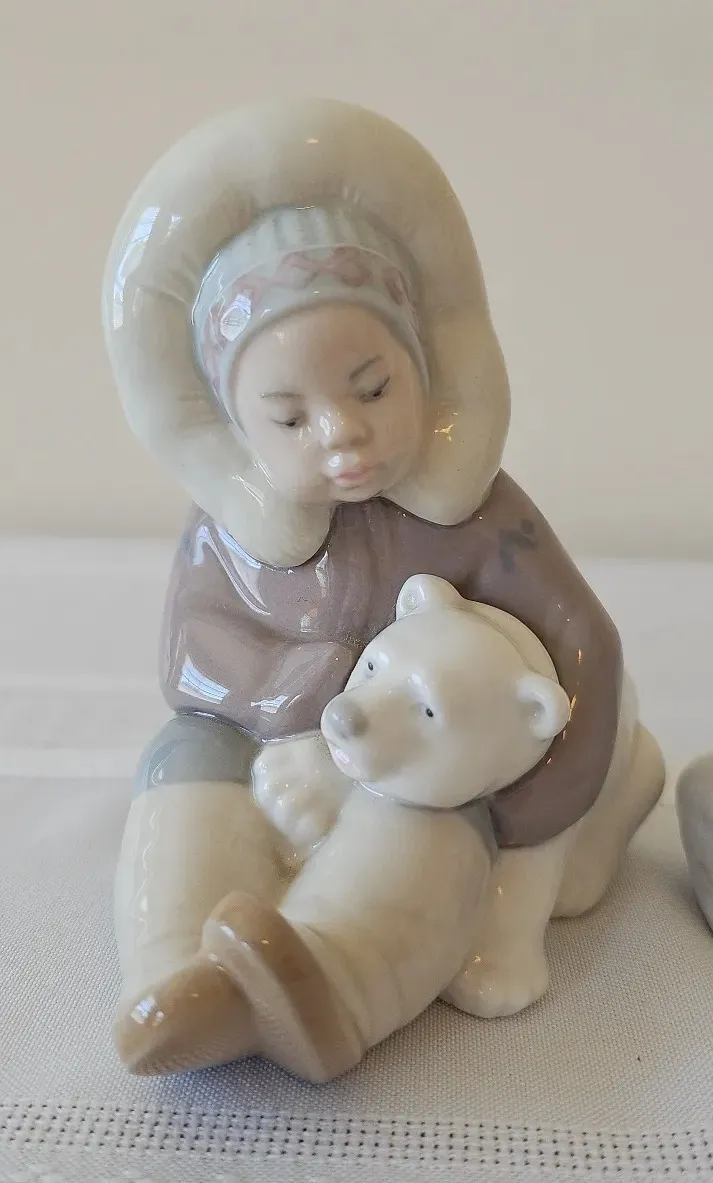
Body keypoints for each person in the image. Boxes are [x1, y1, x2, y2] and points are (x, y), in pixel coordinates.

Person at [103, 97, 634, 1080]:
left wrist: (525, 814)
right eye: (288, 416)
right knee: (183, 758)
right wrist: (301, 702)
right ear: (235, 428)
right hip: (275, 749)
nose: (341, 432)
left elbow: (581, 652)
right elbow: (193, 659)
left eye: (372, 387)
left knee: (430, 814)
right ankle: (174, 973)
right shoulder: (232, 534)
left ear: (423, 366)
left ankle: (333, 985)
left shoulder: (480, 518)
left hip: (422, 758)